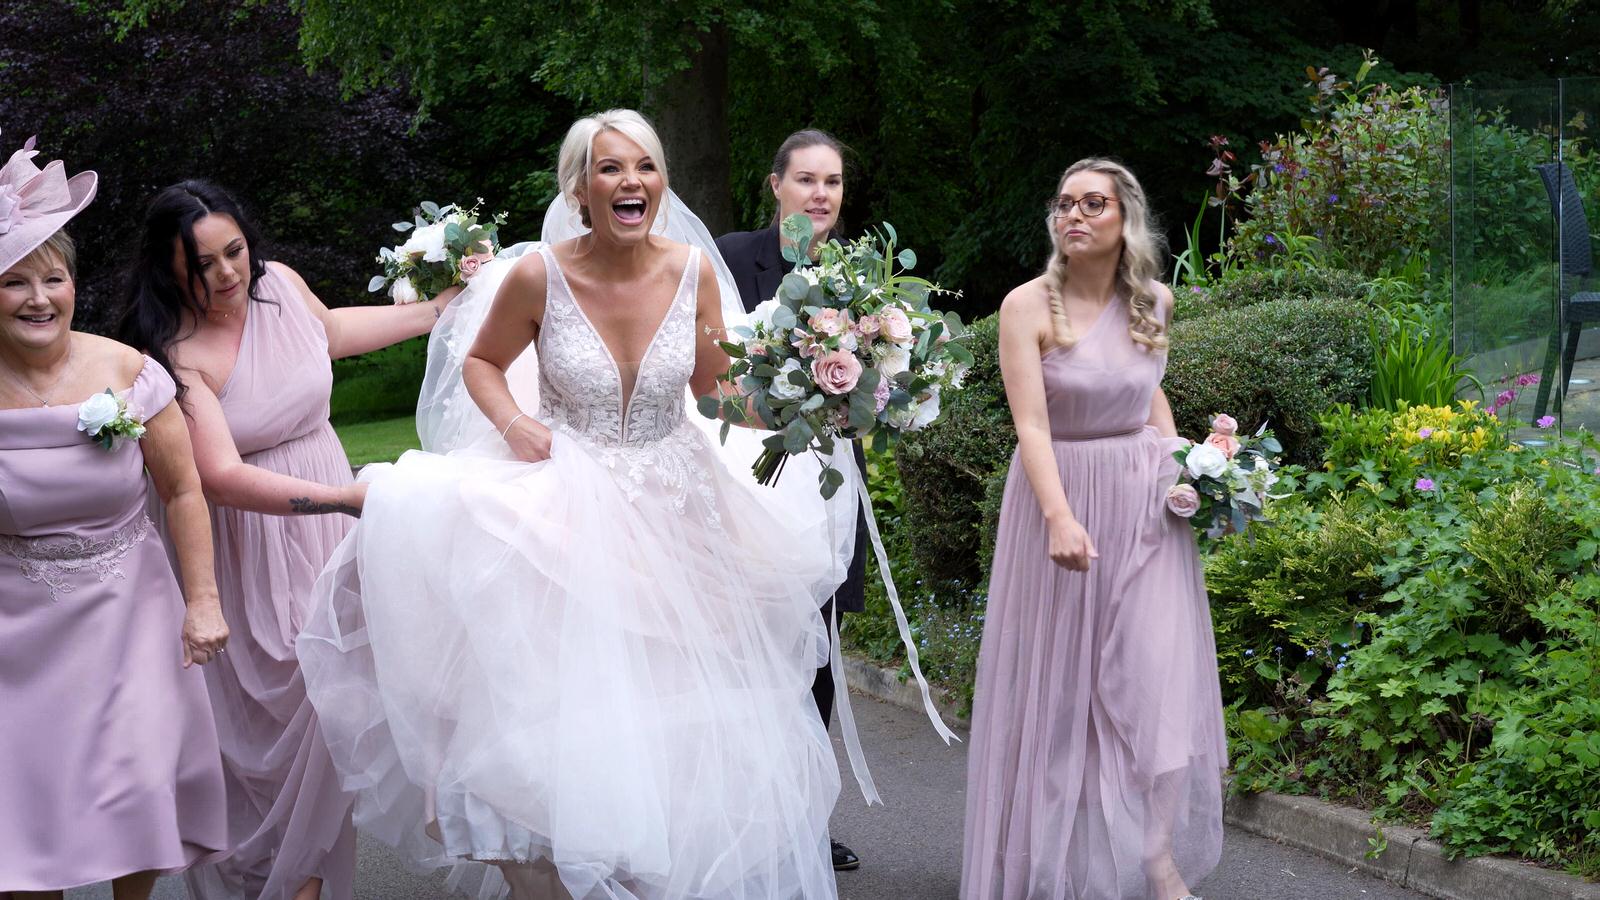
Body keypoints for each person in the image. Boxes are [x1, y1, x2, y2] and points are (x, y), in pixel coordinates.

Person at [297, 109, 851, 900]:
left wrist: (800, 408)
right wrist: (518, 423)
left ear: (661, 183)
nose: (632, 182)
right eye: (612, 169)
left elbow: (712, 386)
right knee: (568, 721)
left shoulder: (693, 270)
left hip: (679, 508)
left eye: (646, 168)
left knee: (683, 722)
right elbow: (484, 362)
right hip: (569, 502)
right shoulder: (538, 277)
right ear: (581, 187)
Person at [115, 180, 461, 900]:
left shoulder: (281, 287)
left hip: (330, 531)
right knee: (265, 737)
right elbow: (221, 476)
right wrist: (344, 497)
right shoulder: (171, 354)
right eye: (201, 264)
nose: (227, 275)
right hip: (251, 548)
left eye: (234, 251)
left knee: (336, 716)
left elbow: (329, 331)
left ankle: (307, 881)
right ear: (168, 268)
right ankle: (266, 880)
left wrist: (437, 311)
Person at [960, 158, 1225, 900]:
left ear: (1124, 219)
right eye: (1065, 202)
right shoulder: (1027, 307)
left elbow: (1150, 398)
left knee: (1157, 680)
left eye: (1093, 203)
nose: (1074, 215)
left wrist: (1193, 471)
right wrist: (1059, 517)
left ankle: (1155, 856)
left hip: (1146, 511)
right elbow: (1031, 426)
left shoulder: (1156, 302)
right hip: (1062, 502)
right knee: (1061, 695)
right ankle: (1048, 862)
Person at [0, 134, 229, 900]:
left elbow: (185, 490)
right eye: (13, 283)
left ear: (74, 283)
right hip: (17, 633)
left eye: (54, 278)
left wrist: (201, 602)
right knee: (28, 816)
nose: (39, 299)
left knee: (134, 790)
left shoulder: (128, 373)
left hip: (132, 613)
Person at [714, 127, 865, 873]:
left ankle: (805, 818)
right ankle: (730, 811)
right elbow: (702, 367)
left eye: (832, 182)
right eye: (806, 180)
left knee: (820, 651)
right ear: (776, 185)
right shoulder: (732, 257)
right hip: (744, 473)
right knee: (744, 646)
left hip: (831, 482)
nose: (820, 195)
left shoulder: (859, 275)